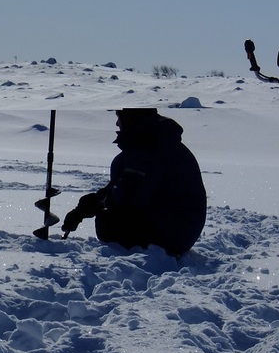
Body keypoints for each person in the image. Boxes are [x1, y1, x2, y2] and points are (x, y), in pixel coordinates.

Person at [61, 108, 207, 256]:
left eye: (120, 117)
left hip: (175, 232)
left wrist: (99, 205)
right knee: (110, 218)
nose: (117, 123)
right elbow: (123, 186)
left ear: (131, 118)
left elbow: (131, 197)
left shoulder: (149, 147)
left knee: (108, 223)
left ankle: (142, 258)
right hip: (178, 227)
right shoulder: (153, 142)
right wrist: (93, 202)